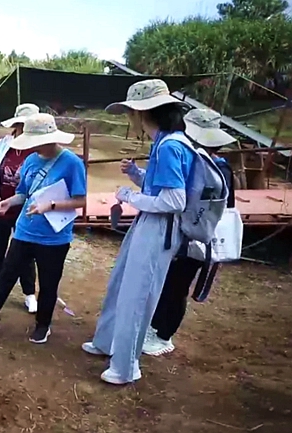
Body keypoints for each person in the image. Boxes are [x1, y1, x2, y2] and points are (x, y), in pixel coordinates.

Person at [81, 79, 194, 384]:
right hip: (149, 222)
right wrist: (135, 175)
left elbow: (173, 200)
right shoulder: (167, 142)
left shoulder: (170, 146)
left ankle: (126, 365)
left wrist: (128, 197)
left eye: (131, 112)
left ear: (144, 113)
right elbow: (160, 186)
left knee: (137, 295)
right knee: (121, 283)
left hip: (160, 228)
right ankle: (106, 343)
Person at [0, 113, 87, 344]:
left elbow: (80, 200)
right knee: (5, 276)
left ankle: (43, 325)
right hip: (24, 230)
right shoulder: (31, 160)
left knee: (49, 283)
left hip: (54, 238)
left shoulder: (72, 163)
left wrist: (51, 205)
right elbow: (25, 192)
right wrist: (9, 201)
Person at [143, 108, 237, 356]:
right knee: (167, 283)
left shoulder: (212, 169)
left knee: (177, 286)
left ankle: (164, 336)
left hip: (196, 237)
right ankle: (156, 328)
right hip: (188, 233)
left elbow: (189, 202)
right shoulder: (209, 164)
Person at [0, 103, 39, 313]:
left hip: (26, 209)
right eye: (23, 124)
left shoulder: (39, 149)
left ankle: (29, 293)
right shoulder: (3, 145)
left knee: (25, 252)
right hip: (0, 206)